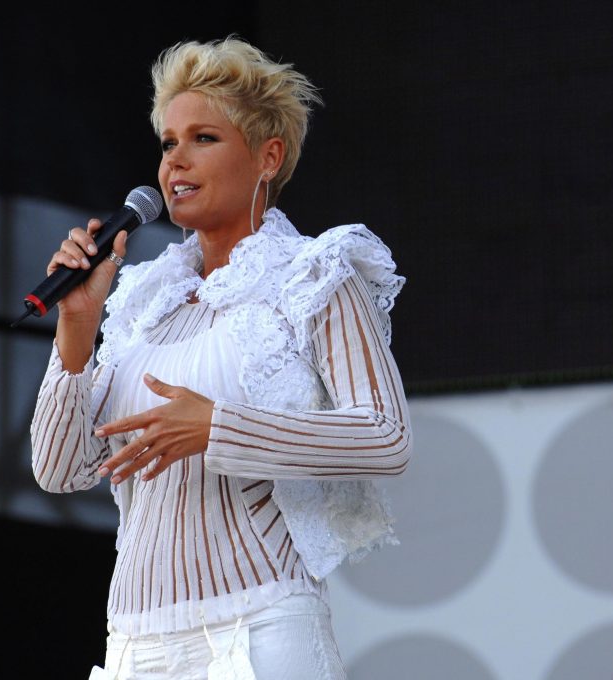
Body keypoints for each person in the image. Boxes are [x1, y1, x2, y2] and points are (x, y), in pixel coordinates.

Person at [30, 36, 412, 680]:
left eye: (203, 138)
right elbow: (59, 469)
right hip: (134, 644)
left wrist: (219, 427)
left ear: (268, 156)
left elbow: (386, 436)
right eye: (167, 143)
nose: (175, 160)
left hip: (258, 630)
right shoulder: (142, 301)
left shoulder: (313, 274)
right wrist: (77, 325)